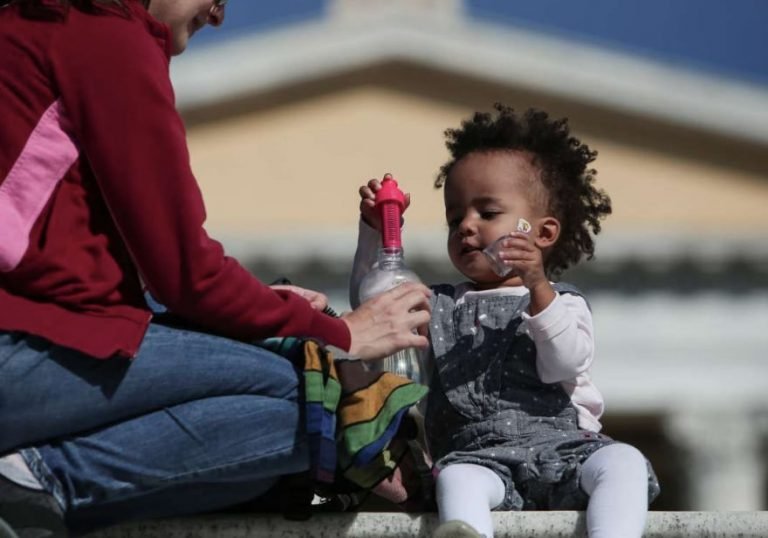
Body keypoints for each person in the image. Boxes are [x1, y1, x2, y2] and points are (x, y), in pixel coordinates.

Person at [0, 1, 432, 536]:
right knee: (311, 401)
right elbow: (187, 274)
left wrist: (265, 311)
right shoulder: (106, 35)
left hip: (26, 351)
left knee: (263, 453)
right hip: (16, 352)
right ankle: (35, 481)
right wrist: (341, 332)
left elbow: (98, 275)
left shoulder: (34, 25)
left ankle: (37, 496)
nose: (219, 14)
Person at [352, 104, 660, 538]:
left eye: (487, 213)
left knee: (623, 460)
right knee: (456, 481)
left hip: (564, 450)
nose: (466, 227)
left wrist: (538, 289)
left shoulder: (562, 302)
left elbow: (565, 362)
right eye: (455, 218)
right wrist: (375, 233)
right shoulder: (438, 303)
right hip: (476, 456)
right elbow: (373, 304)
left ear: (543, 234)